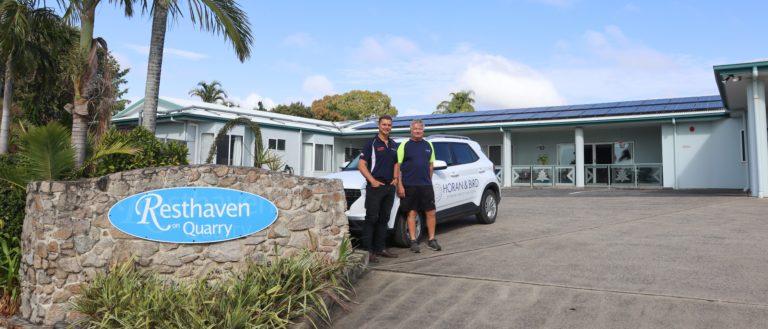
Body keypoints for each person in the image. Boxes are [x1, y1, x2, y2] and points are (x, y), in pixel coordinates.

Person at [358, 115, 399, 263]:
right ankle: (368, 251)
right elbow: (361, 165)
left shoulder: (394, 144)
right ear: (379, 125)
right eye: (384, 124)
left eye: (389, 125)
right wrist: (372, 181)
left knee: (384, 219)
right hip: (375, 187)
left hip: (389, 187)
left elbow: (396, 163)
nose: (386, 127)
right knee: (371, 219)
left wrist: (395, 178)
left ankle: (380, 248)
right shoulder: (371, 144)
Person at [395, 119, 441, 253]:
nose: (417, 131)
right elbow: (398, 166)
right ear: (411, 130)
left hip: (426, 185)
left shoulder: (428, 145)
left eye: (420, 129)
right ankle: (413, 241)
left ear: (423, 130)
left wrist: (428, 179)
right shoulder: (404, 145)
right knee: (412, 213)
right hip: (409, 185)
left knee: (431, 212)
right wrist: (400, 186)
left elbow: (431, 164)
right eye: (415, 129)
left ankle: (432, 239)